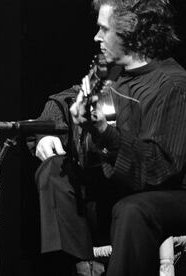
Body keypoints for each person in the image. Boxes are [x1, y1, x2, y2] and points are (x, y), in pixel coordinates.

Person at [30, 0, 186, 275]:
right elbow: (66, 99)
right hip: (112, 192)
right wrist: (48, 131)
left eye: (105, 29)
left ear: (132, 32)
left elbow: (160, 168)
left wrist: (105, 134)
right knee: (53, 170)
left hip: (165, 194)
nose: (96, 37)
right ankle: (81, 265)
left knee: (132, 209)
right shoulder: (110, 71)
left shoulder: (172, 84)